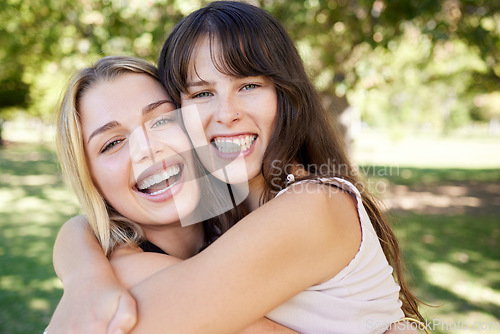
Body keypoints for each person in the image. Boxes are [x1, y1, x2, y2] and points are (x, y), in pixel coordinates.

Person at [49, 2, 425, 333]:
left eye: (248, 85)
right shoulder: (224, 220)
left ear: (286, 94)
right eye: (202, 94)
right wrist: (86, 272)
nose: (227, 114)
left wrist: (107, 274)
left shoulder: (313, 206)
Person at [50, 55, 297, 333]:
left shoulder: (242, 211)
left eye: (161, 120)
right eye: (113, 143)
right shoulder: (128, 274)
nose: (147, 149)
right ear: (90, 177)